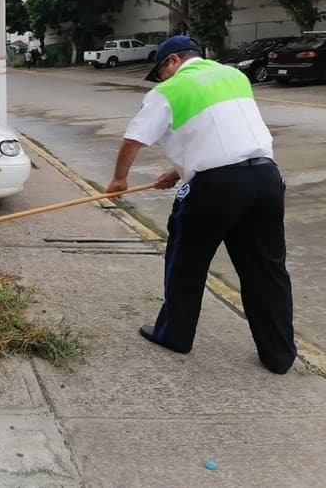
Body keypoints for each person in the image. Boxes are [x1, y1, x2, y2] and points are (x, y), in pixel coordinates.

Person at [105, 35, 296, 374]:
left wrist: (119, 180)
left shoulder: (169, 90)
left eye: (161, 71)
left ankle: (175, 335)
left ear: (173, 61)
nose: (162, 78)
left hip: (215, 189)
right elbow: (222, 133)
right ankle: (279, 355)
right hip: (266, 179)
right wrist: (179, 170)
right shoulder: (233, 76)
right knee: (267, 270)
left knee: (185, 261)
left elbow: (133, 140)